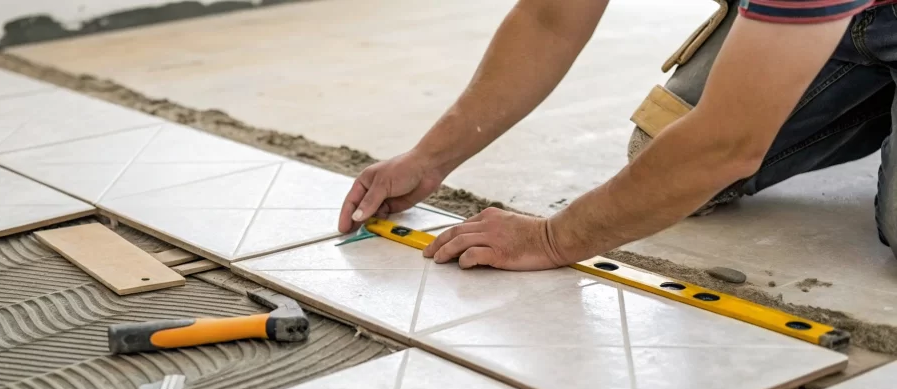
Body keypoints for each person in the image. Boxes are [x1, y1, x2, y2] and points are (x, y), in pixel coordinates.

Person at [337, 0, 897, 271]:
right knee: (661, 159)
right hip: (826, 18)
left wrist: (553, 238)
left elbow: (728, 143)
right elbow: (549, 19)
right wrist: (430, 157)